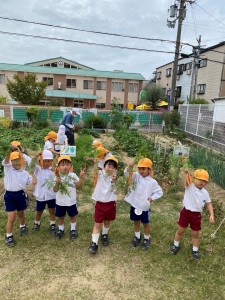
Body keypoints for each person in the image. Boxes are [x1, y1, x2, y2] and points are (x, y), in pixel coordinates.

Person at [170, 169, 214, 260]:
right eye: (200, 179)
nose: (202, 182)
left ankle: (195, 251)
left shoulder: (205, 193)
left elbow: (209, 203)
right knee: (180, 231)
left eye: (204, 181)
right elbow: (187, 179)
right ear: (194, 179)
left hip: (196, 216)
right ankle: (175, 245)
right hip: (186, 213)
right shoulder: (189, 186)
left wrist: (211, 215)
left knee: (195, 234)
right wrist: (186, 173)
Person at [124, 158, 163, 251]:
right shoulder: (136, 176)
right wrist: (129, 166)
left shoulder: (152, 182)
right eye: (140, 168)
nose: (141, 171)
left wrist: (152, 198)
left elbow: (159, 192)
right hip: (135, 204)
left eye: (144, 169)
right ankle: (137, 236)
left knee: (145, 223)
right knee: (136, 221)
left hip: (144, 207)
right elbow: (126, 174)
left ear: (149, 169)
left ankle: (146, 238)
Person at [2, 150, 34, 247]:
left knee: (21, 214)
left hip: (20, 195)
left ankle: (22, 226)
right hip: (9, 196)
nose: (17, 162)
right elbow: (6, 161)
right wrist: (9, 151)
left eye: (19, 160)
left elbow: (32, 181)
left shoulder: (24, 173)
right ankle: (9, 235)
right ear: (11, 162)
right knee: (11, 218)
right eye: (14, 160)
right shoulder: (8, 169)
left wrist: (36, 174)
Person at [88, 156, 118, 254]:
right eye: (108, 165)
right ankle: (94, 243)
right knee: (97, 223)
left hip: (111, 204)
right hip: (100, 203)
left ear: (115, 170)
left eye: (113, 166)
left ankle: (104, 234)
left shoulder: (115, 178)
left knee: (107, 221)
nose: (110, 168)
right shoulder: (100, 174)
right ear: (104, 167)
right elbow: (95, 172)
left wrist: (114, 181)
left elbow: (117, 189)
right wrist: (95, 163)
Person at [53, 155, 85, 240]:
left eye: (67, 164)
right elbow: (55, 190)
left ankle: (73, 230)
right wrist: (57, 183)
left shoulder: (73, 175)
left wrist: (81, 178)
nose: (65, 167)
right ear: (58, 166)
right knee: (60, 217)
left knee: (72, 216)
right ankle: (60, 229)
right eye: (63, 165)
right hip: (60, 202)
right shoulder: (56, 176)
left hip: (71, 201)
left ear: (70, 166)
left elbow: (78, 186)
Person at [32, 150, 56, 233]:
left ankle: (52, 224)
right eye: (44, 161)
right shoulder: (38, 169)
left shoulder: (54, 170)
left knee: (52, 210)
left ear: (52, 161)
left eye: (49, 161)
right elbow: (30, 165)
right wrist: (35, 156)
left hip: (51, 195)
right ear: (40, 161)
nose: (46, 163)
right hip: (41, 195)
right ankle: (37, 223)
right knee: (39, 210)